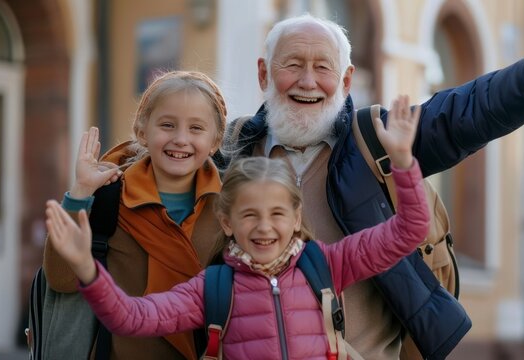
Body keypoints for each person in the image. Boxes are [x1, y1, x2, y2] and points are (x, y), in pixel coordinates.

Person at [220, 1, 524, 358]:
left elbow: (463, 113)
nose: (308, 81)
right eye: (292, 64)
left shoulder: (376, 139)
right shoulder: (228, 153)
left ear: (345, 82)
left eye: (323, 67)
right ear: (263, 73)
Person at [44, 96, 428, 359]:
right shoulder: (212, 286)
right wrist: (87, 270)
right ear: (227, 222)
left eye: (277, 214)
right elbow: (130, 317)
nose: (264, 227)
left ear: (296, 218)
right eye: (249, 215)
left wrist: (403, 164)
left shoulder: (327, 264)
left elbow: (408, 232)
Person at [42, 70, 228, 359]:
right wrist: (81, 191)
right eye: (167, 125)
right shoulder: (108, 197)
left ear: (216, 140)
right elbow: (60, 278)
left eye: (196, 129)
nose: (180, 139)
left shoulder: (231, 205)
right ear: (142, 130)